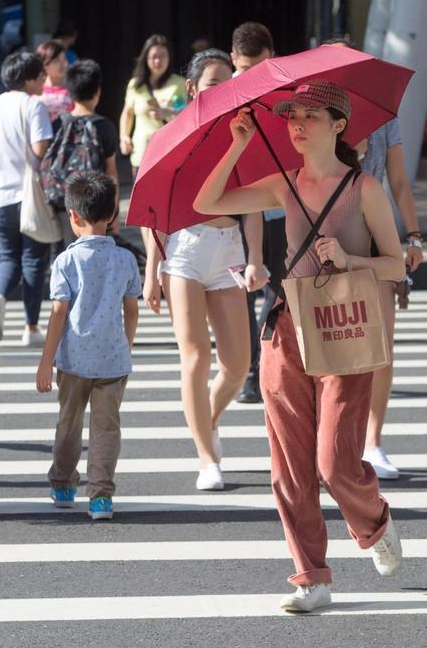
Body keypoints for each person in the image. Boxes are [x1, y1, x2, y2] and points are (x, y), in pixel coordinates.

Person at [194, 79, 405, 614]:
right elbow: (207, 200)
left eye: (310, 115)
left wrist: (354, 260)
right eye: (290, 115)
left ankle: (374, 521)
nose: (296, 123)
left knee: (335, 463)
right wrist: (238, 143)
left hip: (346, 330)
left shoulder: (365, 188)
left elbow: (397, 264)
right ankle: (311, 576)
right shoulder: (281, 183)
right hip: (287, 329)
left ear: (339, 125)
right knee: (289, 464)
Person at [142, 49, 267, 491]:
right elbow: (151, 209)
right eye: (216, 83)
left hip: (229, 248)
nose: (226, 89)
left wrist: (256, 258)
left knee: (238, 364)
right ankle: (205, 456)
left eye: (230, 81)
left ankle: (205, 421)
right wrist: (152, 270)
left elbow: (254, 202)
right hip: (185, 251)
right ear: (193, 89)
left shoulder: (245, 131)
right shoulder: (171, 136)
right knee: (195, 356)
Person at [323, 38, 424, 480]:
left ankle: (373, 441)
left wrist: (414, 234)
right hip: (325, 238)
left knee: (379, 345)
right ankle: (330, 441)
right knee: (330, 344)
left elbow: (399, 180)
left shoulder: (383, 117)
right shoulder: (314, 117)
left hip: (377, 237)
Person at [36, 171, 140, 520]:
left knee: (69, 421)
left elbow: (58, 313)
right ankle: (100, 497)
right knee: (107, 427)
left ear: (74, 217)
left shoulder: (66, 261)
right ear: (113, 214)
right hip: (113, 359)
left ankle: (63, 485)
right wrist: (127, 345)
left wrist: (45, 361)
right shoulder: (125, 259)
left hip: (73, 358)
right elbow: (131, 309)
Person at [0, 49, 55, 347]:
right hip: (28, 195)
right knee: (34, 259)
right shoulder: (34, 106)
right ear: (28, 79)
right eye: (40, 76)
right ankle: (31, 326)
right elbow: (39, 150)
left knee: (8, 255)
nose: (44, 81)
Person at [231, 21, 283, 405]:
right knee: (241, 298)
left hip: (278, 208)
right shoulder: (224, 96)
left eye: (260, 67)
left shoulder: (284, 93)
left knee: (280, 290)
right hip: (235, 209)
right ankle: (251, 373)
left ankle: (272, 365)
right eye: (246, 69)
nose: (252, 77)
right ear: (234, 60)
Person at [42, 58, 121, 256]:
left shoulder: (58, 124)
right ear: (98, 91)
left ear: (69, 92)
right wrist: (115, 212)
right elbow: (111, 173)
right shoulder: (105, 127)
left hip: (64, 200)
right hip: (96, 204)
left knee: (65, 255)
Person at [120, 34, 187, 172]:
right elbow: (127, 113)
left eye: (162, 56)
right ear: (145, 58)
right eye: (153, 56)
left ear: (169, 57)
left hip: (169, 151)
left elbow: (185, 115)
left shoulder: (179, 83)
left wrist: (167, 112)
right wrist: (124, 137)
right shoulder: (136, 85)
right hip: (141, 152)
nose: (158, 61)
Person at [35, 39, 73, 122]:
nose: (62, 64)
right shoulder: (36, 90)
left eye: (64, 59)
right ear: (44, 64)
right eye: (56, 61)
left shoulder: (73, 89)